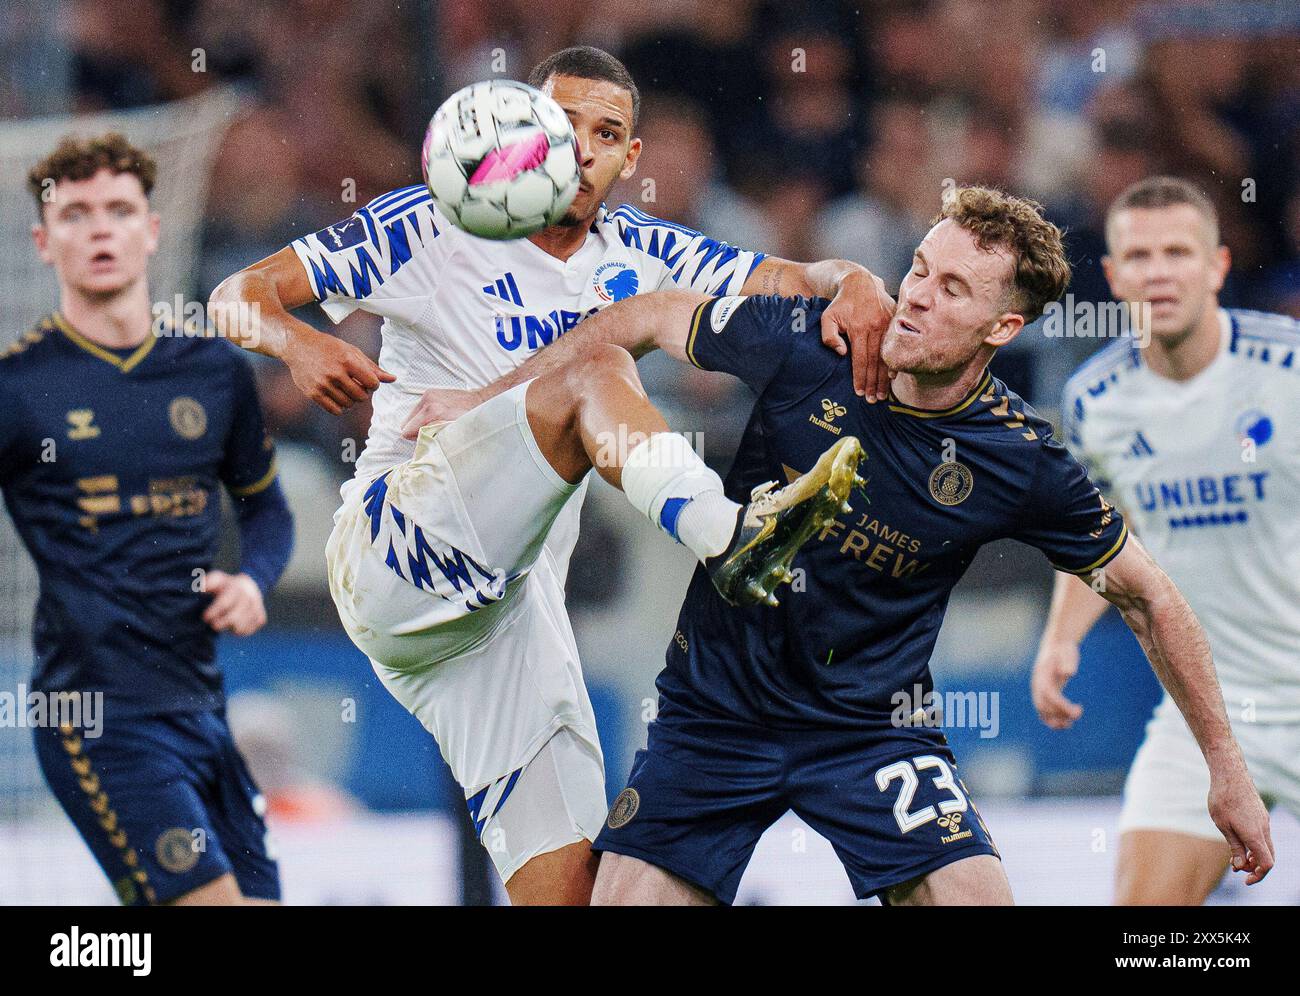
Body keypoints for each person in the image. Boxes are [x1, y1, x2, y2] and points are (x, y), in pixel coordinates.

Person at [421, 185, 1273, 905]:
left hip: (872, 731)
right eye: (919, 269)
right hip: (715, 719)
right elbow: (643, 316)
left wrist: (1227, 768)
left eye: (954, 290)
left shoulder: (1023, 460)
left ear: (1002, 329)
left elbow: (1148, 595)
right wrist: (486, 403)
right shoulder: (813, 341)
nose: (918, 296)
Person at [209, 45, 892, 904]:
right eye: (563, 125)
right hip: (402, 544)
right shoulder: (431, 222)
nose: (583, 148)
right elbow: (238, 293)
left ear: (629, 158)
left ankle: (734, 544)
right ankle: (732, 540)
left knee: (569, 893)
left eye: (608, 133)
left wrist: (855, 277)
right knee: (597, 369)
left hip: (509, 621)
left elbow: (795, 283)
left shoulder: (645, 251)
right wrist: (301, 341)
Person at [0, 133, 292, 905]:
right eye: (78, 214)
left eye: (120, 210)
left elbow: (267, 511)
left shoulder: (214, 371)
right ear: (43, 241)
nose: (100, 229)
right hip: (98, 720)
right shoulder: (19, 388)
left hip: (202, 710)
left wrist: (255, 582)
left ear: (151, 231)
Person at [1034, 176, 1299, 905]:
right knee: (1149, 935)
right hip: (1209, 712)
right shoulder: (1096, 400)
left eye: (1178, 252)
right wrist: (1062, 637)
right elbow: (1106, 538)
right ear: (1115, 277)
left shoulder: (1291, 369)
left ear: (1217, 266)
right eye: (1140, 256)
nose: (1159, 271)